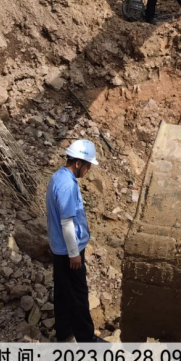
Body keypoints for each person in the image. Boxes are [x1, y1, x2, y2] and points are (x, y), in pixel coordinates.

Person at [45, 139, 104, 343]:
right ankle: (88, 340)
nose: (88, 171)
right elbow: (67, 223)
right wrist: (74, 254)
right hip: (68, 251)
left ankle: (65, 334)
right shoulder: (68, 185)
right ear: (78, 163)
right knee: (78, 295)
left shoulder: (57, 177)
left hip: (58, 248)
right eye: (87, 166)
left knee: (62, 293)